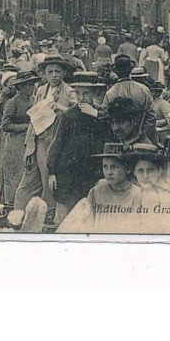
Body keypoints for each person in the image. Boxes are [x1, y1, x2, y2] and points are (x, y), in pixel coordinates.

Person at [14, 52, 77, 217]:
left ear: (63, 73)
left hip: (57, 140)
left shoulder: (69, 91)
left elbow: (78, 112)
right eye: (50, 72)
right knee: (31, 178)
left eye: (57, 71)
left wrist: (61, 109)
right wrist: (29, 146)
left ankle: (49, 213)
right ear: (44, 74)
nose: (54, 75)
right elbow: (33, 118)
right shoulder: (41, 90)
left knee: (50, 177)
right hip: (39, 139)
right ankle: (19, 214)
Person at [47, 71, 110, 225]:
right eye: (78, 93)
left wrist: (96, 115)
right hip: (68, 174)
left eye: (86, 93)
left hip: (91, 173)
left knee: (89, 217)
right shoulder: (68, 116)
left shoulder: (101, 115)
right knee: (64, 218)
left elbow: (111, 134)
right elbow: (56, 144)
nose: (81, 98)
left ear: (94, 93)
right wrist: (52, 172)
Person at [0, 70, 39, 206]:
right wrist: (25, 127)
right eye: (27, 85)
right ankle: (10, 204)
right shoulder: (12, 102)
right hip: (15, 143)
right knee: (13, 173)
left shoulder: (34, 100)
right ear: (20, 87)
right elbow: (5, 125)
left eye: (32, 85)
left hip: (29, 141)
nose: (31, 88)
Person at [101, 54, 157, 142]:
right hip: (143, 139)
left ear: (116, 72)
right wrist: (141, 133)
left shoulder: (110, 92)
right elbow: (152, 116)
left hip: (120, 140)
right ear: (130, 70)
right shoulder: (143, 89)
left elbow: (105, 115)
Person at [86, 143, 143, 221]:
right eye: (105, 167)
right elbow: (89, 221)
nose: (109, 172)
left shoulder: (137, 195)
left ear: (128, 169)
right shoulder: (97, 192)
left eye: (114, 167)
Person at [131, 143, 170, 207]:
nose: (145, 176)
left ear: (159, 171)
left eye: (150, 170)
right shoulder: (136, 195)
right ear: (134, 172)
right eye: (140, 171)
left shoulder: (167, 197)